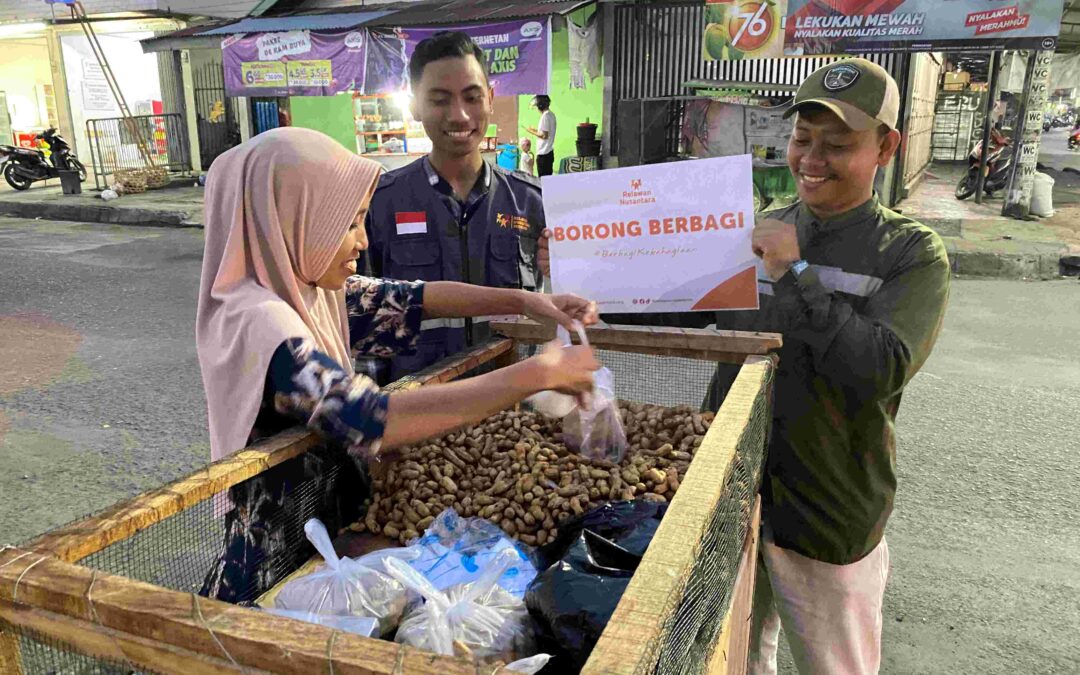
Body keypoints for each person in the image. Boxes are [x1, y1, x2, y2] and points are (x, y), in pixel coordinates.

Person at [540, 58, 950, 674]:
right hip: (731, 491)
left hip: (828, 510)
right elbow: (682, 308)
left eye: (837, 144)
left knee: (834, 663)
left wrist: (798, 275)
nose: (812, 158)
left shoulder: (912, 254)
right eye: (802, 139)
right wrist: (583, 271)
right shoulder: (762, 226)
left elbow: (880, 369)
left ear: (886, 148)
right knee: (737, 654)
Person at [196, 127, 600, 603]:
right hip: (277, 562)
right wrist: (537, 374)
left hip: (330, 532)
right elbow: (368, 418)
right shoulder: (260, 322)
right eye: (348, 224)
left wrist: (525, 300)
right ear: (288, 219)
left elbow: (412, 298)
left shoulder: (310, 291)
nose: (362, 241)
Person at [366, 31, 548, 382]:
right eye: (440, 100)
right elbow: (365, 325)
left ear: (491, 98)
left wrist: (564, 269)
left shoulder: (532, 202)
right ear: (414, 106)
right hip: (419, 413)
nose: (460, 115)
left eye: (472, 97)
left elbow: (565, 312)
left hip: (512, 412)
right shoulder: (379, 205)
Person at [525, 94, 557, 177]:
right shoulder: (551, 115)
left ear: (540, 105)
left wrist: (530, 131)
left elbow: (544, 135)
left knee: (542, 181)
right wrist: (534, 130)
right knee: (548, 180)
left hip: (544, 154)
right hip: (549, 152)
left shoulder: (545, 116)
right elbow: (545, 132)